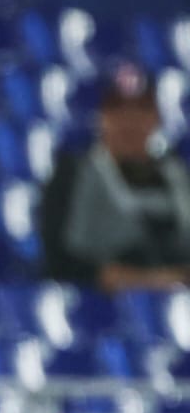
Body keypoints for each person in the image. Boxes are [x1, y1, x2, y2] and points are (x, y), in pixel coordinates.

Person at [40, 61, 190, 292]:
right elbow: (59, 261)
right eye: (118, 109)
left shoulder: (177, 174)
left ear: (156, 117)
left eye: (141, 109)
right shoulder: (72, 173)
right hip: (102, 312)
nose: (129, 121)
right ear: (101, 116)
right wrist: (140, 280)